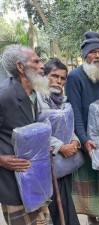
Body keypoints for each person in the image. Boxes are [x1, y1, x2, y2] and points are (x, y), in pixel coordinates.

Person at [65, 31, 99, 225]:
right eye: (93, 52)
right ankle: (91, 216)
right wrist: (84, 138)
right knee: (89, 180)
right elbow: (75, 112)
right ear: (85, 55)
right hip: (86, 137)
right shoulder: (74, 77)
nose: (98, 56)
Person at [0, 44, 52, 225]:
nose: (42, 65)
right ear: (20, 67)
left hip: (37, 177)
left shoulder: (37, 93)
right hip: (13, 181)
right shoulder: (3, 94)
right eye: (36, 61)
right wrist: (0, 159)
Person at [36, 58, 80, 225]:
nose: (59, 81)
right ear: (44, 76)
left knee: (65, 199)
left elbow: (70, 126)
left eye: (62, 78)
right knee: (54, 204)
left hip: (66, 160)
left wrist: (75, 142)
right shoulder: (36, 99)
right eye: (54, 76)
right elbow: (36, 128)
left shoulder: (64, 99)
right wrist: (60, 147)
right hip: (48, 160)